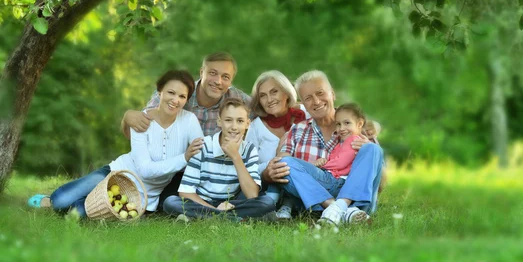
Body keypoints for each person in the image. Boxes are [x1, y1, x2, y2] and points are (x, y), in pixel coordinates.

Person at [27, 70, 204, 217]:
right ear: (160, 92)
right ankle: (56, 198)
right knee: (59, 201)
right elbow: (145, 170)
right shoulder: (141, 119)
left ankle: (90, 198)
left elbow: (201, 153)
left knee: (77, 213)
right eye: (171, 93)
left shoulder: (189, 121)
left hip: (143, 195)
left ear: (186, 100)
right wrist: (184, 157)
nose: (175, 100)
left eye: (182, 96)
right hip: (116, 172)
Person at [273, 70, 384, 225]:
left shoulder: (358, 126)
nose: (317, 101)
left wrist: (369, 153)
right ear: (303, 104)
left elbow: (381, 183)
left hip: (356, 195)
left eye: (320, 93)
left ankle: (345, 207)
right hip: (320, 187)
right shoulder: (297, 130)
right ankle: (335, 208)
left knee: (373, 149)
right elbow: (280, 168)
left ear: (332, 94)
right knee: (284, 163)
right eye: (308, 98)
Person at [163, 98, 275, 220]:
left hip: (231, 203)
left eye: (240, 121)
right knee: (170, 202)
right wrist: (215, 210)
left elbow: (252, 195)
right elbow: (186, 192)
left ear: (247, 124)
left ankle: (202, 217)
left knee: (267, 202)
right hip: (201, 201)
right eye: (228, 120)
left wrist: (235, 156)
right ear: (219, 122)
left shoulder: (249, 149)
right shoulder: (203, 145)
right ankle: (228, 218)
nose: (234, 127)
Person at [121, 52, 250, 137]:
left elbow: (266, 110)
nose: (218, 81)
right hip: (174, 169)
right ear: (201, 73)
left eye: (225, 77)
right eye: (213, 73)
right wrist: (128, 117)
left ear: (231, 81)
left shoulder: (239, 100)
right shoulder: (176, 92)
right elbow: (140, 128)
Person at [245, 70, 308, 218]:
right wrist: (266, 171)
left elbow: (335, 119)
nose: (269, 99)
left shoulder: (306, 114)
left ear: (286, 93)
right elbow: (247, 167)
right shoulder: (256, 127)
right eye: (263, 95)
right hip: (269, 189)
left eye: (274, 92)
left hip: (306, 184)